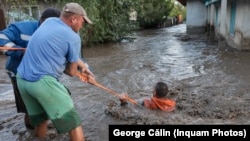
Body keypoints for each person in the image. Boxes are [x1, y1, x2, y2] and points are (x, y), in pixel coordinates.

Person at [16, 2, 94, 141]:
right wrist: (82, 73)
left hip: (21, 80)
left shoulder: (49, 21)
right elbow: (71, 72)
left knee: (41, 120)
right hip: (42, 83)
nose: (83, 25)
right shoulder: (74, 37)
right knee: (74, 122)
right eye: (82, 21)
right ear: (73, 19)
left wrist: (84, 67)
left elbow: (56, 50)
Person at [0, 7, 61, 130]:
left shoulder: (60, 33)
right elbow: (1, 38)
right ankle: (31, 130)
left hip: (44, 74)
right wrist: (21, 52)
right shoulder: (22, 28)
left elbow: (73, 56)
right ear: (42, 21)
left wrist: (84, 70)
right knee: (28, 108)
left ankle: (39, 128)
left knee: (45, 104)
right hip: (18, 73)